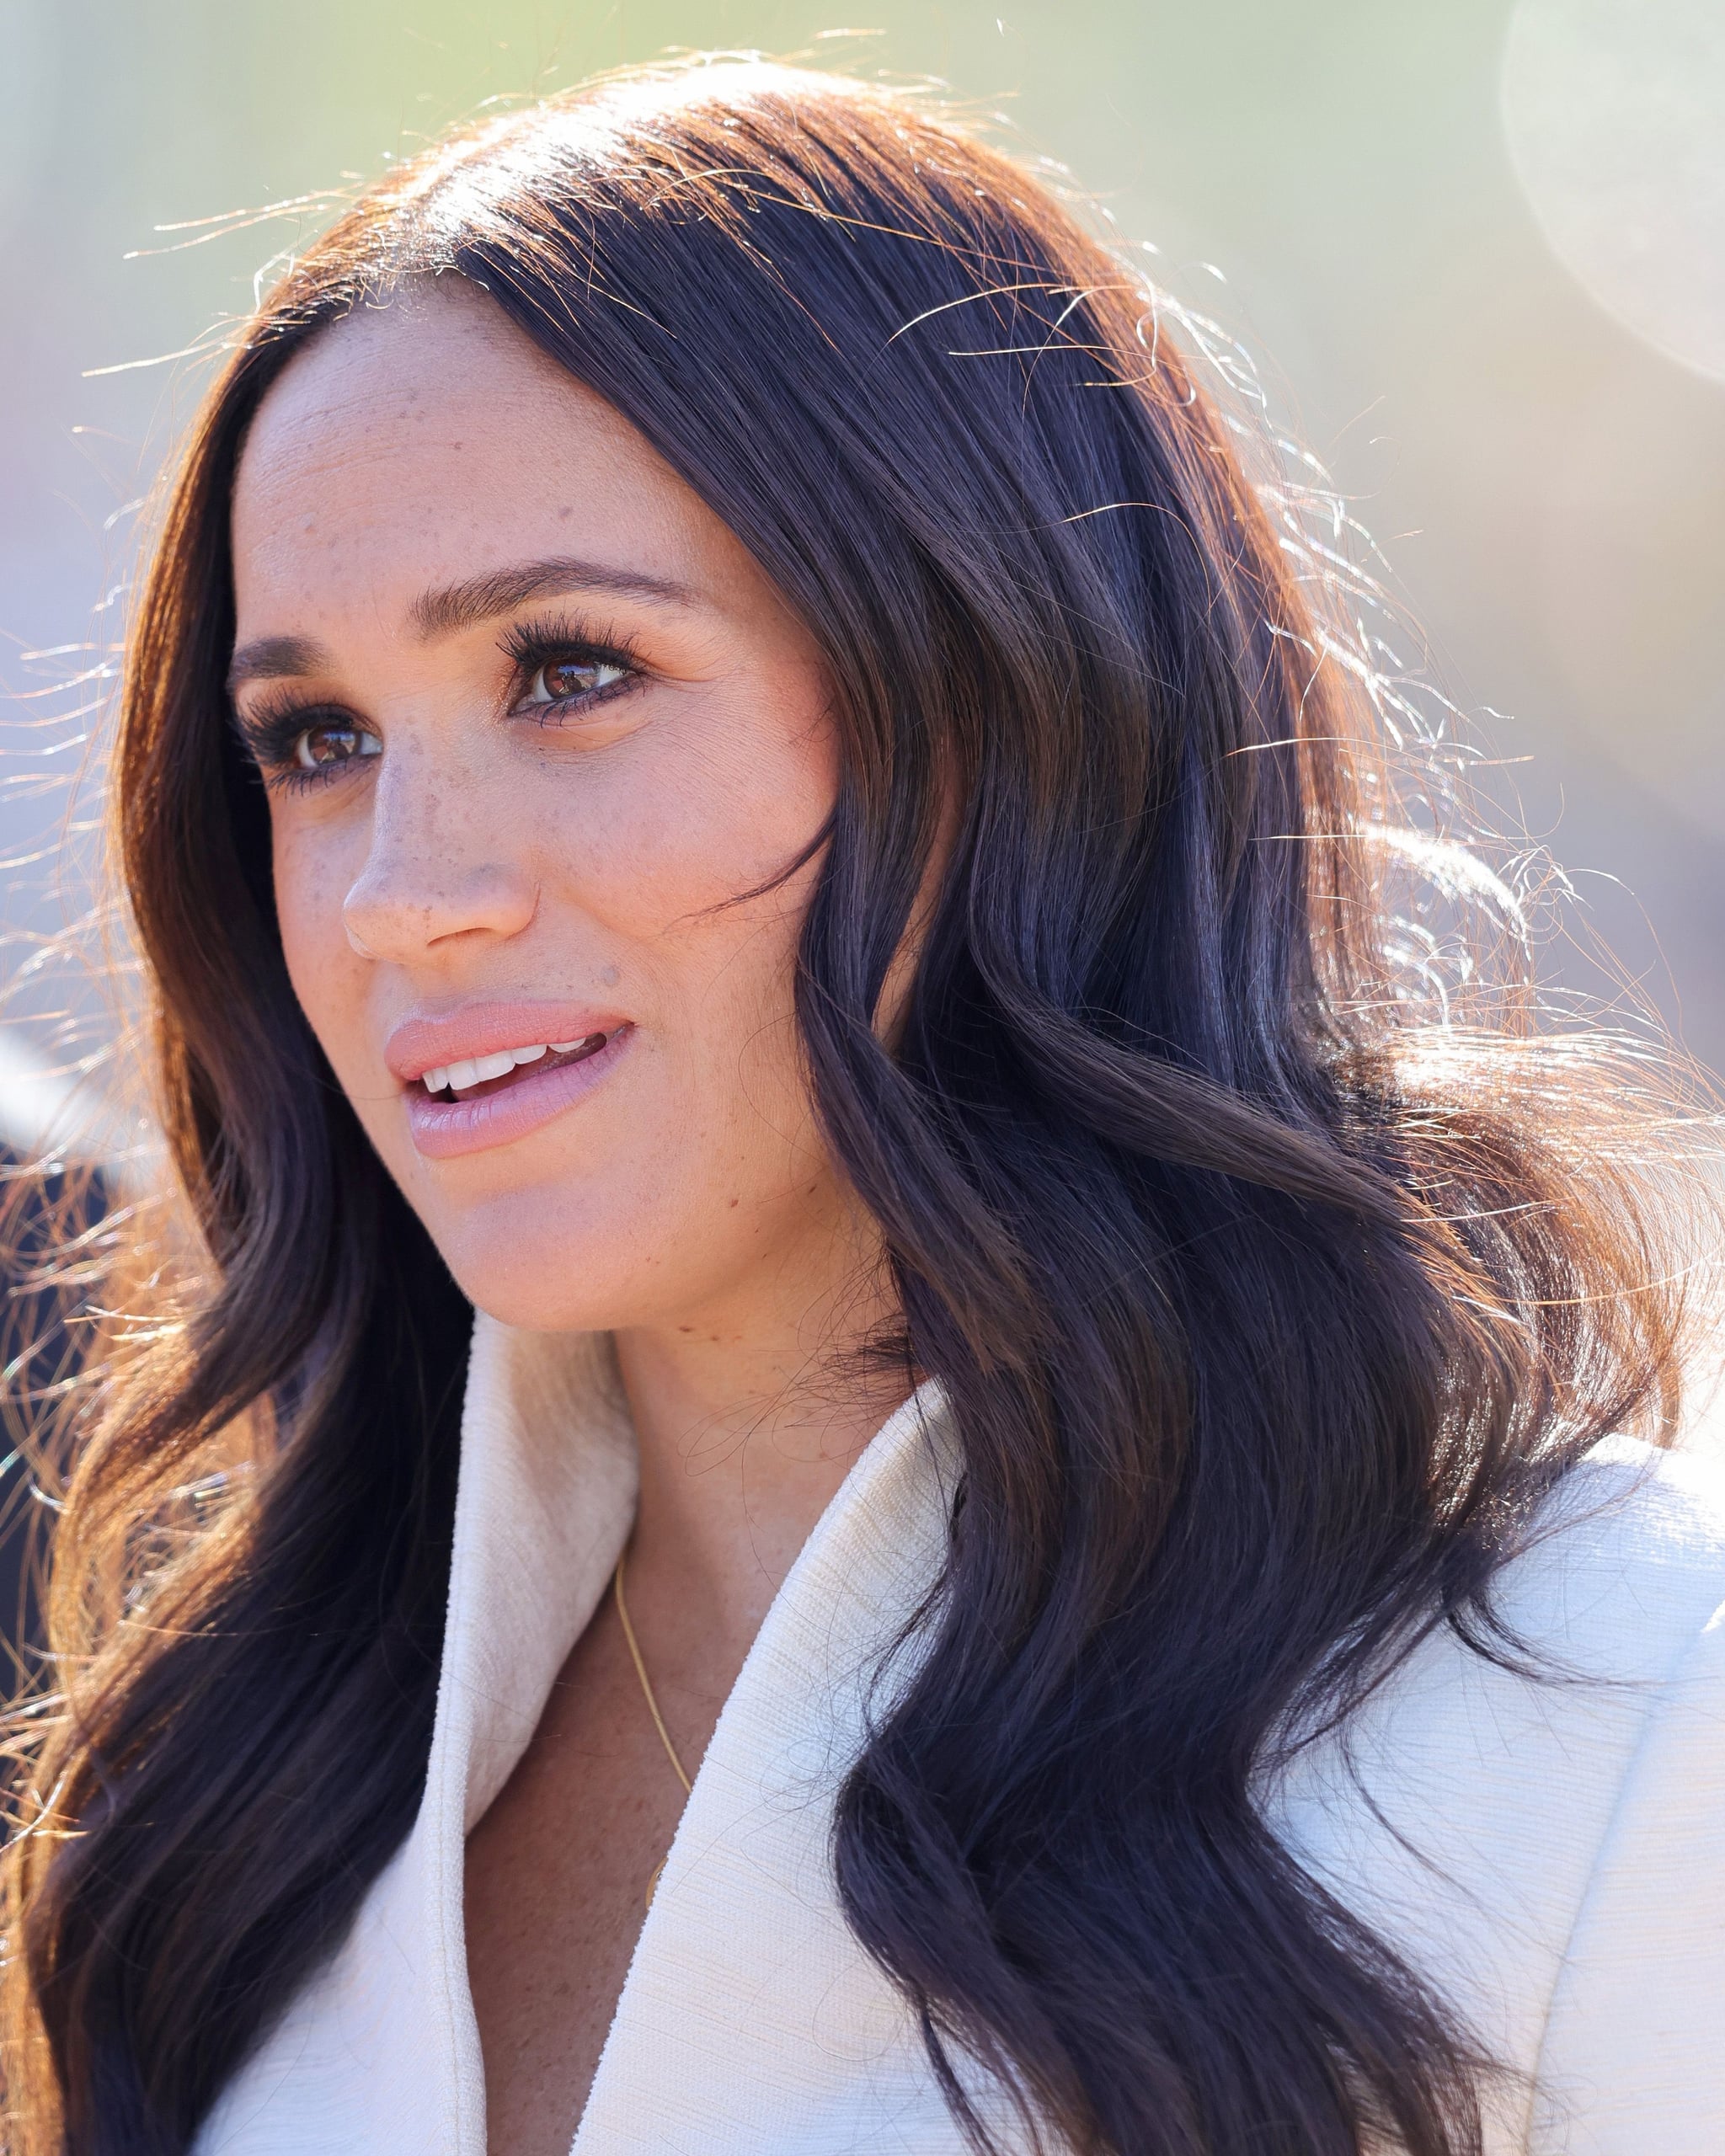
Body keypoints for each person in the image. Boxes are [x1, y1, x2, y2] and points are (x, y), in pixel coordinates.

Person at [3, 56, 1722, 2156]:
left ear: (995, 696)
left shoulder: (1622, 1719)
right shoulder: (227, 1774)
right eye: (317, 735)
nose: (400, 893)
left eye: (567, 670)